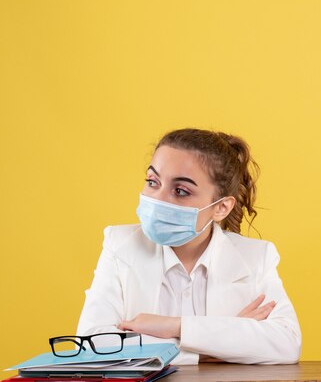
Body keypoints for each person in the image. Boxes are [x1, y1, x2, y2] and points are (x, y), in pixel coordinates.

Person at [76, 128, 302, 365]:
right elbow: (93, 346)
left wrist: (174, 326)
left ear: (221, 207)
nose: (158, 199)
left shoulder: (256, 257)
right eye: (153, 182)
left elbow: (287, 343)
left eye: (181, 191)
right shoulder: (120, 245)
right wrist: (216, 346)